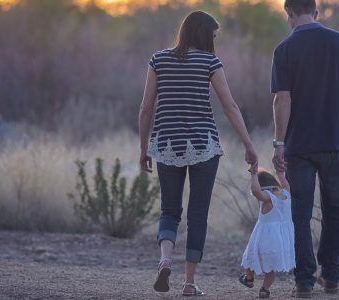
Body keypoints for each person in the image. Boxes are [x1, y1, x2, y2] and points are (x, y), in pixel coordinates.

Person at [137, 10, 258, 297]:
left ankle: (165, 260)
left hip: (166, 144)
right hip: (204, 145)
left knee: (169, 210)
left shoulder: (159, 59)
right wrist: (249, 144)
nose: (215, 42)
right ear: (204, 34)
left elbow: (145, 108)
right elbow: (230, 107)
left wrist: (144, 148)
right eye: (213, 36)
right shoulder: (209, 62)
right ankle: (189, 283)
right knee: (198, 214)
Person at [269, 0, 339, 298]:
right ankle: (331, 277)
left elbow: (282, 100)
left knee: (300, 214)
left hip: (299, 146)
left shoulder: (284, 49)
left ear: (288, 13)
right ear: (316, 12)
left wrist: (279, 142)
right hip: (335, 144)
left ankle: (303, 282)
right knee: (335, 210)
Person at [239, 167, 295, 299]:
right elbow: (285, 183)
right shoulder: (286, 194)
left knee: (250, 258)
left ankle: (249, 278)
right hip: (281, 240)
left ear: (263, 187)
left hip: (265, 238)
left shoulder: (268, 198)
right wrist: (280, 174)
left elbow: (256, 191)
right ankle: (265, 289)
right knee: (271, 268)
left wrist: (253, 175)